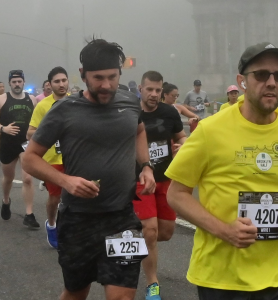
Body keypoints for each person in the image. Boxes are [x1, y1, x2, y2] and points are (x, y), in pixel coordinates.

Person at [165, 42, 278, 300]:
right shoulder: (211, 130)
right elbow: (176, 194)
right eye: (262, 74)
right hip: (222, 279)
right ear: (242, 81)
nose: (272, 82)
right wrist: (225, 230)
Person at [22, 38, 155, 300]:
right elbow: (30, 159)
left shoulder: (130, 102)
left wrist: (146, 166)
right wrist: (66, 181)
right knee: (76, 293)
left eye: (112, 77)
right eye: (98, 78)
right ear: (83, 75)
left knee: (123, 296)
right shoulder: (64, 110)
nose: (106, 85)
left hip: (121, 217)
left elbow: (139, 130)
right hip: (78, 219)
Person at [136, 71, 188, 300]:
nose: (154, 94)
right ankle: (152, 284)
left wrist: (181, 146)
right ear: (141, 89)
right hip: (140, 180)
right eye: (150, 89)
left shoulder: (169, 112)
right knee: (150, 231)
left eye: (158, 90)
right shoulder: (131, 113)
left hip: (165, 179)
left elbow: (182, 137)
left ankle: (135, 242)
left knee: (164, 233)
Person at [0, 70, 39, 229]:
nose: (17, 84)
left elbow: (38, 120)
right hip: (8, 143)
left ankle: (29, 214)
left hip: (26, 144)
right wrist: (3, 129)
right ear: (10, 83)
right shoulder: (0, 99)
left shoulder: (32, 99)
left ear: (24, 82)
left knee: (28, 179)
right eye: (14, 82)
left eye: (19, 81)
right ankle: (5, 200)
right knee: (8, 178)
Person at [27, 66, 70, 248]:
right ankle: (51, 224)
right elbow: (30, 132)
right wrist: (50, 135)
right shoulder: (43, 106)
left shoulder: (77, 102)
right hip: (52, 160)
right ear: (50, 85)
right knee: (55, 197)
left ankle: (71, 229)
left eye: (64, 80)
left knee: (76, 195)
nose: (61, 84)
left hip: (74, 157)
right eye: (57, 81)